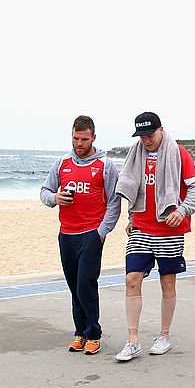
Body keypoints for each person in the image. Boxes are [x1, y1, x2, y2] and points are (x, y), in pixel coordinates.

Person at [113, 112, 195, 361]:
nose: (146, 140)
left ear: (161, 129)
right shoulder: (136, 154)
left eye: (150, 135)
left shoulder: (179, 153)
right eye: (141, 136)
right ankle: (132, 340)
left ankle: (164, 335)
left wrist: (182, 210)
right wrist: (131, 219)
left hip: (169, 230)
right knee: (132, 278)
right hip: (141, 226)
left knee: (167, 282)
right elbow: (133, 188)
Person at [40, 115, 121, 355]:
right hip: (66, 233)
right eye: (76, 138)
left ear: (93, 137)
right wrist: (55, 198)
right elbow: (44, 191)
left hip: (91, 233)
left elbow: (114, 201)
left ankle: (94, 333)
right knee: (74, 285)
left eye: (84, 139)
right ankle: (79, 332)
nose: (79, 143)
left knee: (86, 283)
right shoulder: (62, 163)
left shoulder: (105, 165)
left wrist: (102, 232)